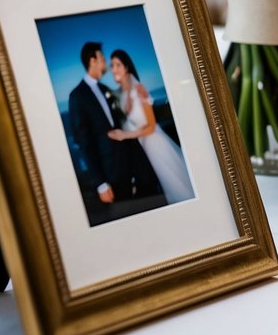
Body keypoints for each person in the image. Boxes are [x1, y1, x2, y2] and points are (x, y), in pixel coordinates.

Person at [68, 41, 163, 216]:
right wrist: (100, 183)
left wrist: (136, 90)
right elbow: (84, 143)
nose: (105, 63)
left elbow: (121, 121)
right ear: (93, 60)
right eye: (102, 59)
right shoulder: (77, 96)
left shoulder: (106, 89)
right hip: (110, 173)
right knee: (125, 217)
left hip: (130, 163)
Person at [107, 49, 194, 205]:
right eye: (112, 65)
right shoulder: (121, 95)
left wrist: (124, 135)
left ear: (126, 67)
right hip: (143, 148)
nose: (113, 69)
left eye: (118, 65)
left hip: (155, 145)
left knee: (176, 185)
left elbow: (151, 126)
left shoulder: (139, 89)